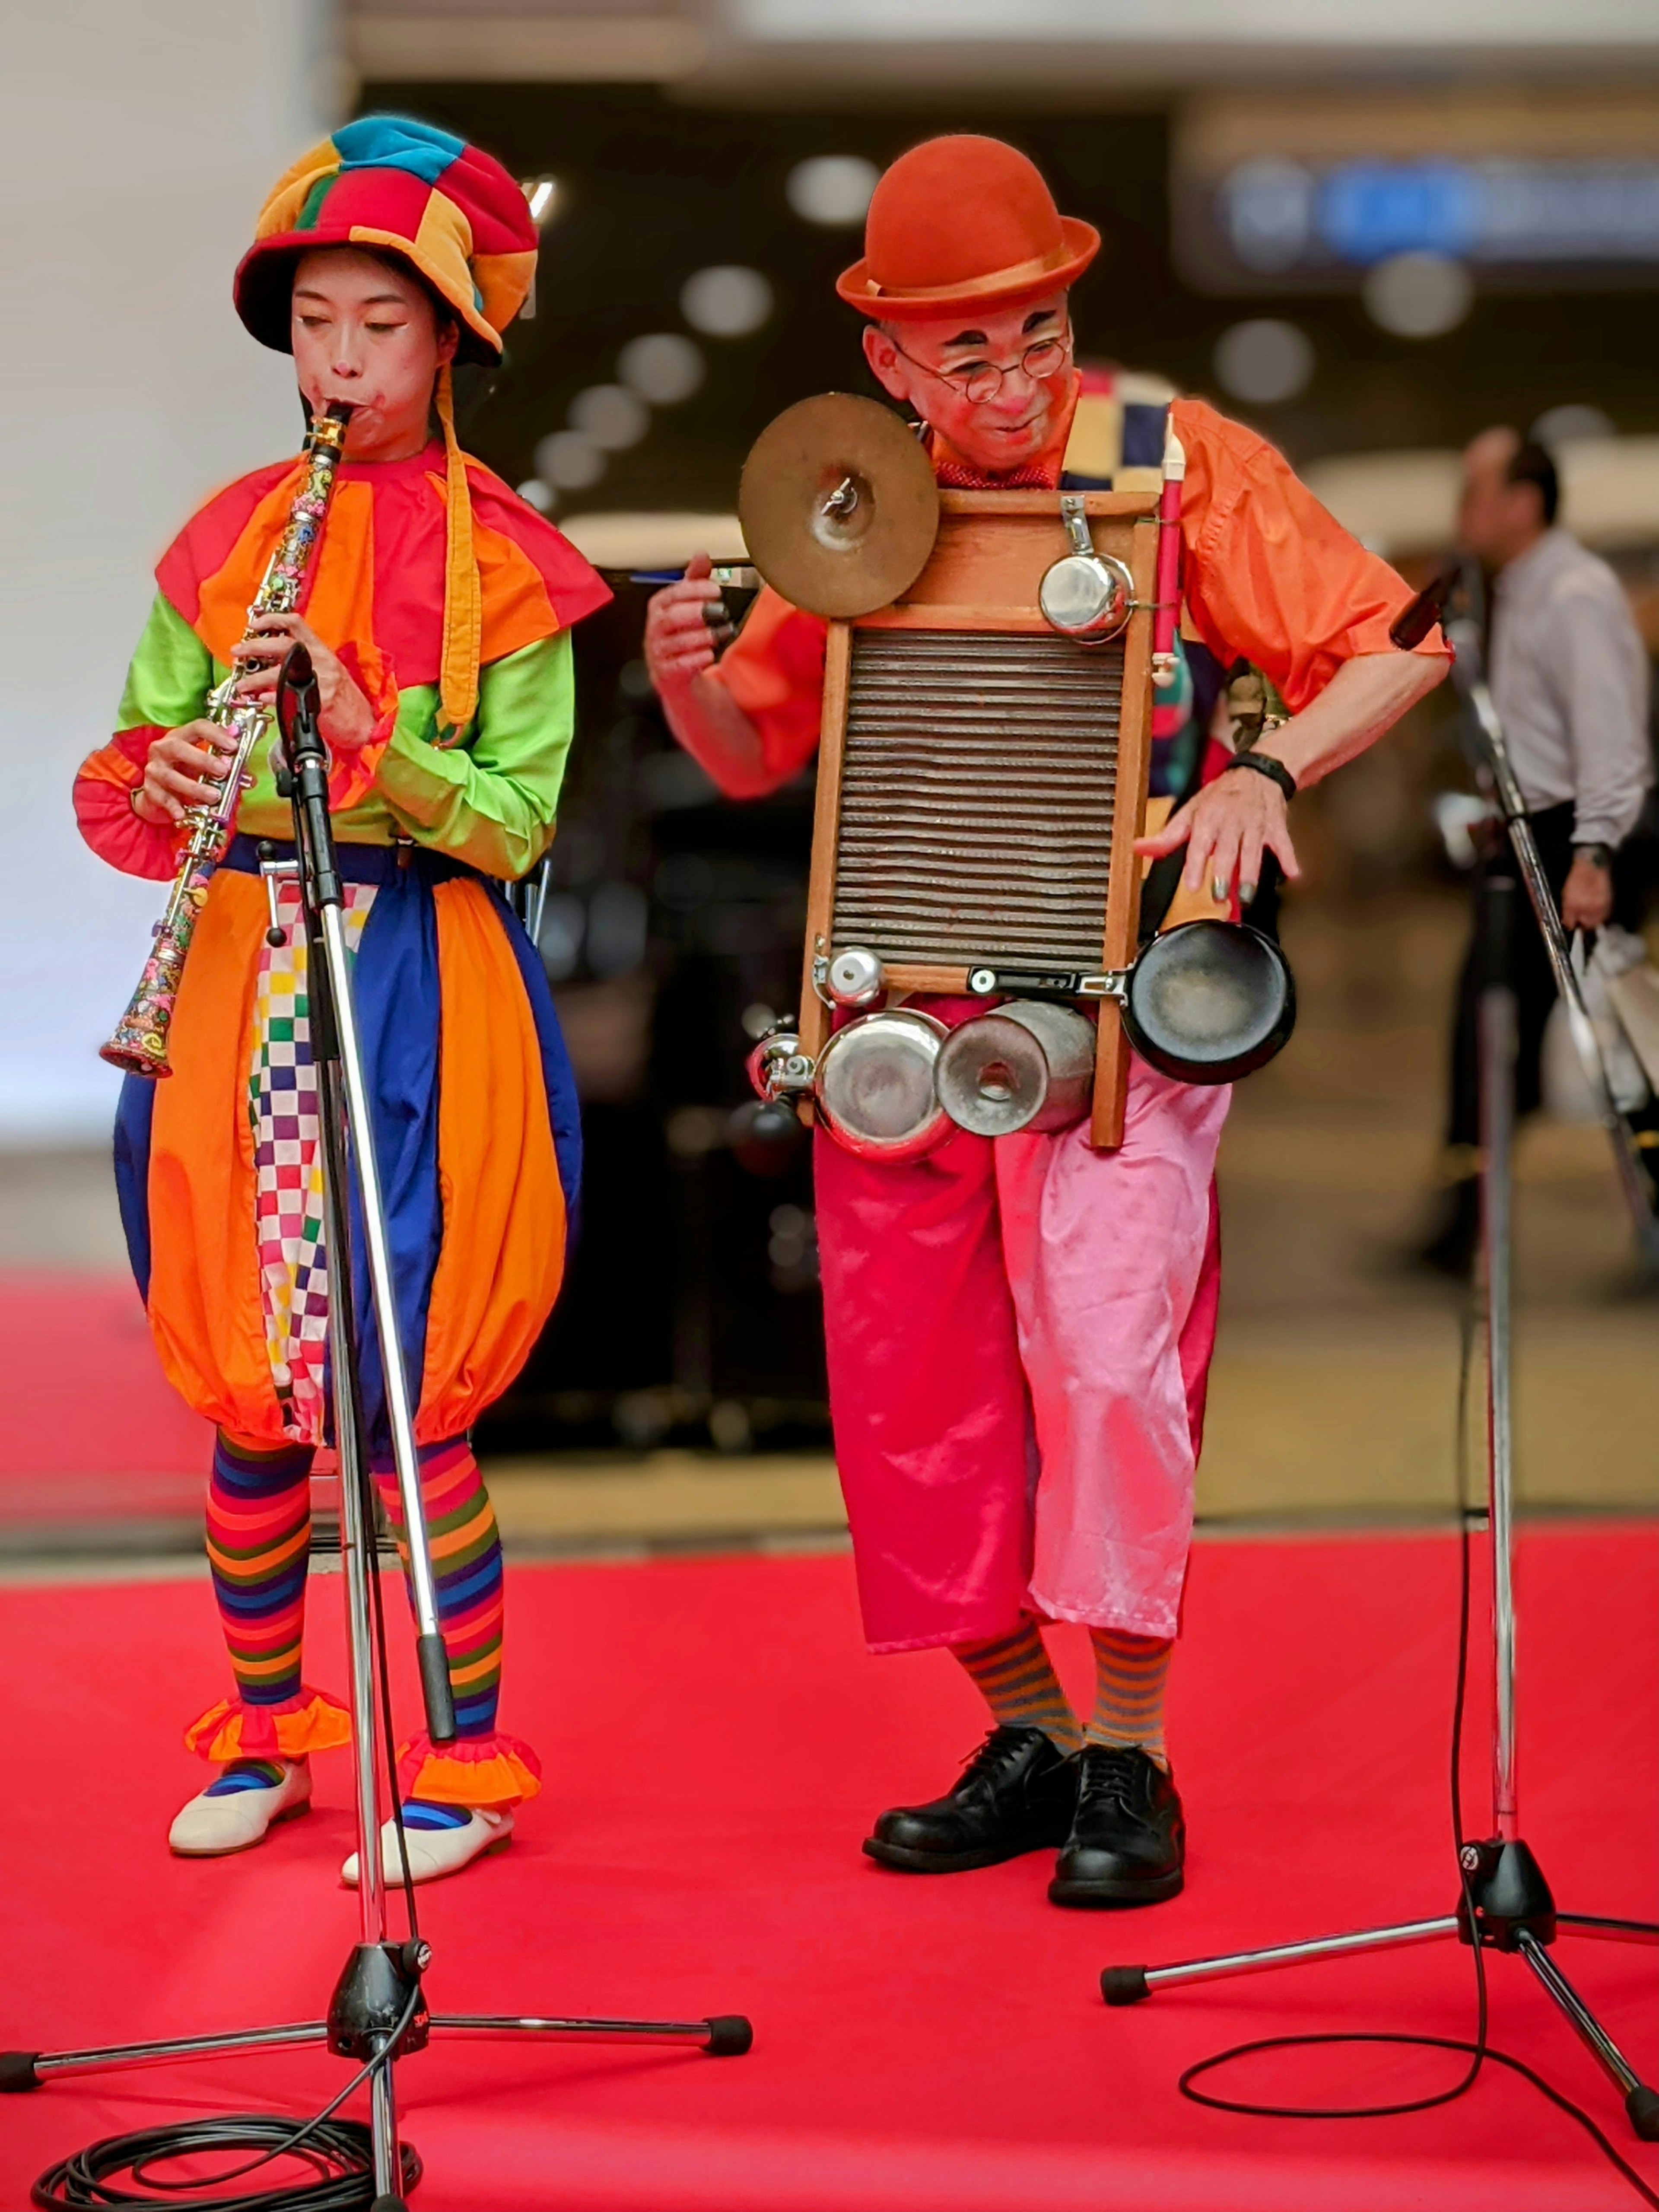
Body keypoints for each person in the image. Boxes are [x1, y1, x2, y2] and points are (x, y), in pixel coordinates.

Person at [644, 135, 1448, 1908]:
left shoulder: (1172, 460)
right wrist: (685, 678)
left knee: (1108, 1369)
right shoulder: (846, 504)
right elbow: (756, 749)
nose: (1015, 383)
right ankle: (1030, 1733)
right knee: (909, 1390)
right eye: (971, 353)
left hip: (1119, 1007)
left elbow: (1396, 643)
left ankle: (1135, 1756)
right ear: (887, 360)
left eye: (1041, 334)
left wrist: (1259, 765)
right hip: (899, 1014)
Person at [74, 116, 610, 1884]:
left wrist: (378, 741)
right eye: (316, 322)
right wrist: (170, 774)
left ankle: (456, 1766)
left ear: (449, 340)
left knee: (414, 1392)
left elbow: (522, 816)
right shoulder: (227, 536)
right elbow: (148, 746)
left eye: (379, 324)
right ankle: (267, 1734)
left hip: (416, 979)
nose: (343, 360)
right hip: (241, 972)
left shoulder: (508, 558)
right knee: (246, 1386)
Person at [1420, 429, 1656, 1274]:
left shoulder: (1573, 591)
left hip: (1579, 838)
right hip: (1531, 830)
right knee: (1487, 1028)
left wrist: (1594, 852)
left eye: (1475, 493)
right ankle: (1459, 1224)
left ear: (1522, 503)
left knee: (1613, 1037)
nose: (1463, 513)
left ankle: (1648, 1220)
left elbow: (1612, 737)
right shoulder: (1514, 588)